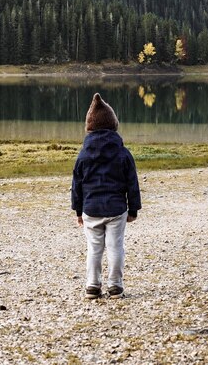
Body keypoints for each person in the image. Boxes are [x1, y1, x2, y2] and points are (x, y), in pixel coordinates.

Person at [71, 92, 141, 299]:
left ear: (89, 127)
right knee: (115, 247)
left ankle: (92, 286)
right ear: (113, 125)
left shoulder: (83, 155)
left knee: (94, 249)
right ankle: (115, 286)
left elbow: (77, 186)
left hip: (91, 209)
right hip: (117, 208)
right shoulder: (123, 153)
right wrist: (133, 209)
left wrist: (77, 211)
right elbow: (132, 184)